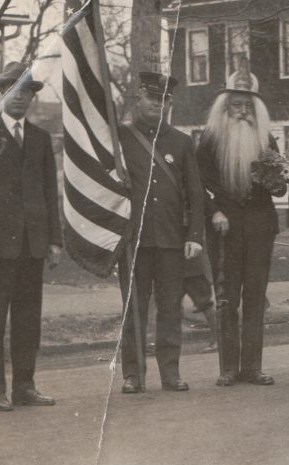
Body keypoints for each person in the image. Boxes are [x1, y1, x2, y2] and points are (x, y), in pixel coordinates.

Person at [0, 62, 61, 411]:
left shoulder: (40, 138)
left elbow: (51, 190)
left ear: (33, 97)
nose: (19, 98)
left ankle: (25, 386)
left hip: (32, 245)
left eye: (26, 92)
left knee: (27, 320)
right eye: (12, 91)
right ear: (0, 94)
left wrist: (53, 240)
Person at [117, 72, 205, 393]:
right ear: (137, 98)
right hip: (133, 241)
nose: (157, 103)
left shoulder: (181, 142)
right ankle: (133, 374)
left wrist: (194, 235)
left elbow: (195, 194)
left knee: (170, 309)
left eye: (163, 99)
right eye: (151, 97)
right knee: (134, 310)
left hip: (171, 240)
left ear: (169, 103)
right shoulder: (120, 139)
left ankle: (170, 372)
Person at [196, 67, 279, 386]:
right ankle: (229, 366)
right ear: (226, 106)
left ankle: (253, 366)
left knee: (256, 296)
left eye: (248, 105)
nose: (243, 111)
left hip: (259, 226)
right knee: (227, 296)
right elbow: (198, 184)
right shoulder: (210, 140)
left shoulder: (267, 139)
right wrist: (215, 211)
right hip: (225, 226)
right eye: (236, 105)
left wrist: (278, 180)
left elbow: (279, 184)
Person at [181, 249, 218, 352]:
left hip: (192, 266)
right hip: (172, 266)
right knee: (170, 306)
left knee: (204, 303)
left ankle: (217, 340)